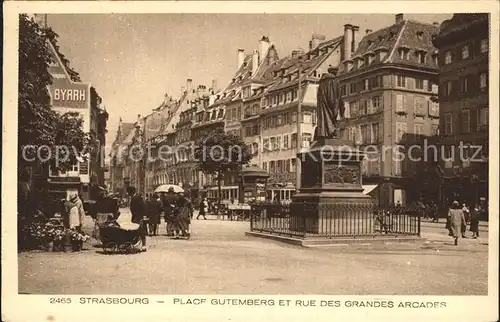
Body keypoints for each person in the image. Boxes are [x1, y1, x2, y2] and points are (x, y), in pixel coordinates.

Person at [127, 186, 147, 251]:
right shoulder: (134, 197)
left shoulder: (138, 198)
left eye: (128, 192)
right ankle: (133, 243)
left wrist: (143, 216)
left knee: (140, 230)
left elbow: (143, 207)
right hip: (135, 216)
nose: (128, 194)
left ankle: (144, 245)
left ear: (131, 192)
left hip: (138, 217)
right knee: (135, 230)